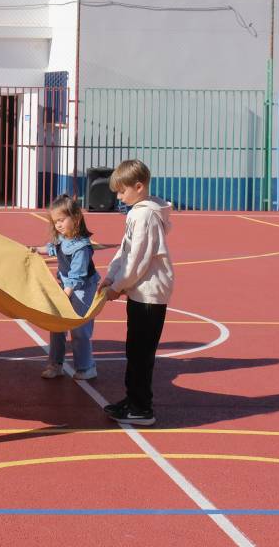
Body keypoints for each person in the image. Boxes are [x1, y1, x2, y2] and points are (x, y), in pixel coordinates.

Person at [97, 159, 174, 427]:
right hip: (141, 292)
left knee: (141, 353)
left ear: (138, 187)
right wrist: (111, 276)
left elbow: (138, 260)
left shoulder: (144, 215)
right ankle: (133, 400)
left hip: (149, 294)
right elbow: (125, 250)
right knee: (134, 349)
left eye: (122, 191)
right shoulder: (138, 212)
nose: (119, 197)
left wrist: (117, 286)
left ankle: (142, 408)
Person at [35, 195, 99, 381]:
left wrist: (65, 294)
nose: (59, 225)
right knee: (57, 325)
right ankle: (56, 364)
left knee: (79, 328)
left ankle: (87, 367)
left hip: (81, 288)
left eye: (62, 220)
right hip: (66, 286)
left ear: (76, 218)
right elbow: (53, 248)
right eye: (56, 222)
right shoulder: (62, 238)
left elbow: (77, 275)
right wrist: (36, 250)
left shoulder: (82, 247)